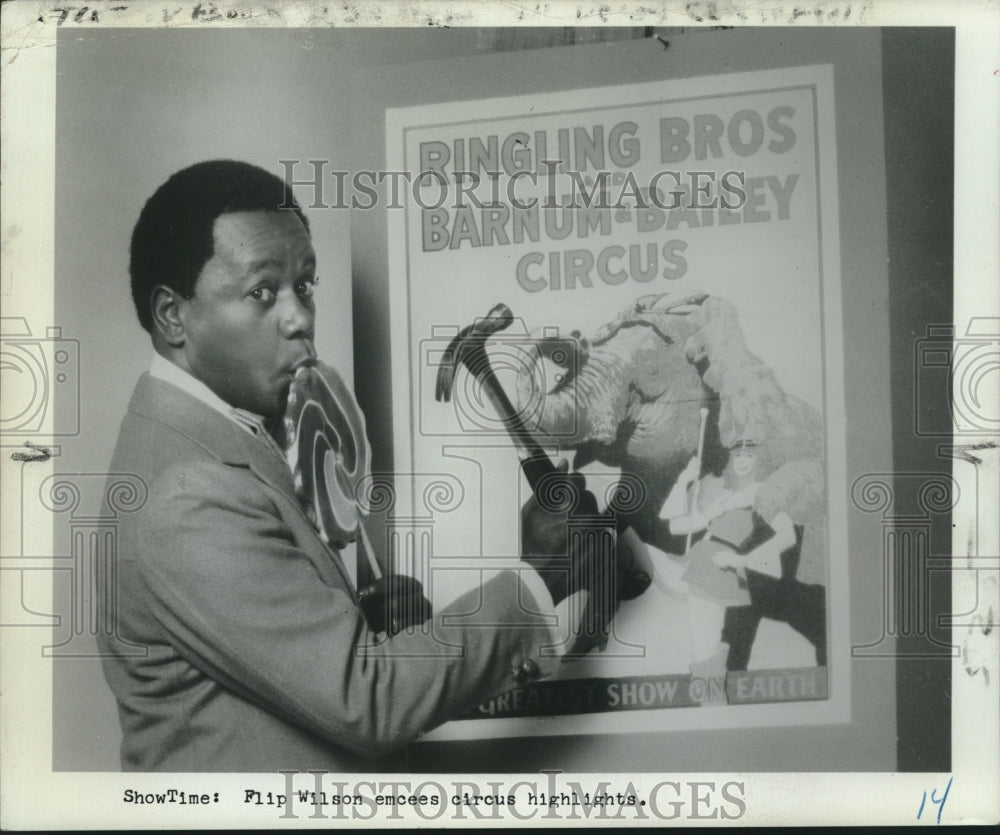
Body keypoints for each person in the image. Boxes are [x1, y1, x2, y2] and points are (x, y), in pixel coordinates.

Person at [98, 160, 612, 772]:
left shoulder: (216, 442)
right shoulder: (190, 493)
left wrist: (362, 627)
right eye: (262, 292)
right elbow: (366, 701)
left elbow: (297, 675)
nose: (299, 317)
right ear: (172, 316)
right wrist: (539, 575)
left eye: (305, 285)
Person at [659, 438, 825, 674]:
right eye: (738, 456)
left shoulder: (765, 493)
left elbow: (787, 537)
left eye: (749, 456)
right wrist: (683, 479)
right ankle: (712, 698)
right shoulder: (724, 495)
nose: (743, 462)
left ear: (759, 461)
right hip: (700, 563)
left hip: (719, 572)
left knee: (707, 646)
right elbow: (675, 527)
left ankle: (712, 700)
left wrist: (742, 561)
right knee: (703, 645)